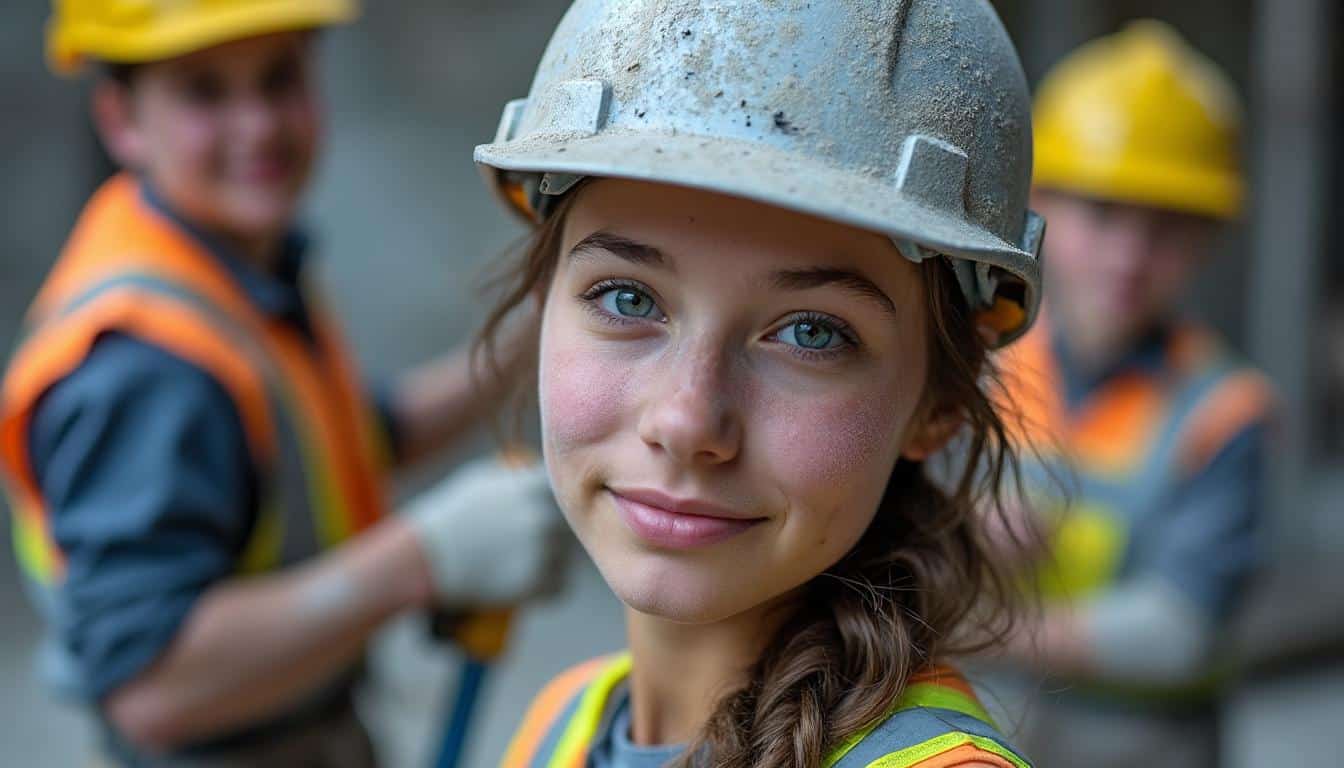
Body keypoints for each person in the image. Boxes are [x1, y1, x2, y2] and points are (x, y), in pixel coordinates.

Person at [469, 1, 1048, 766]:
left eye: (812, 333)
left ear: (940, 400)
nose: (686, 420)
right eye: (627, 299)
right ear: (544, 312)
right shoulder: (560, 724)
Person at [0, 2, 567, 765]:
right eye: (205, 91)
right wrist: (426, 557)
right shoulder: (142, 364)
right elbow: (152, 688)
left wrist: (530, 336)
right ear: (121, 120)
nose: (259, 124)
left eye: (280, 78)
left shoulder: (220, 267)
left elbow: (339, 440)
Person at [988, 21, 1275, 768]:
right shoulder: (979, 370)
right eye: (1105, 215)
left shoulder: (1223, 412)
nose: (1129, 256)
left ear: (1207, 240)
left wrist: (977, 621)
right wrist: (961, 529)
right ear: (1043, 203)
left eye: (1166, 228)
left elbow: (1181, 632)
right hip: (991, 734)